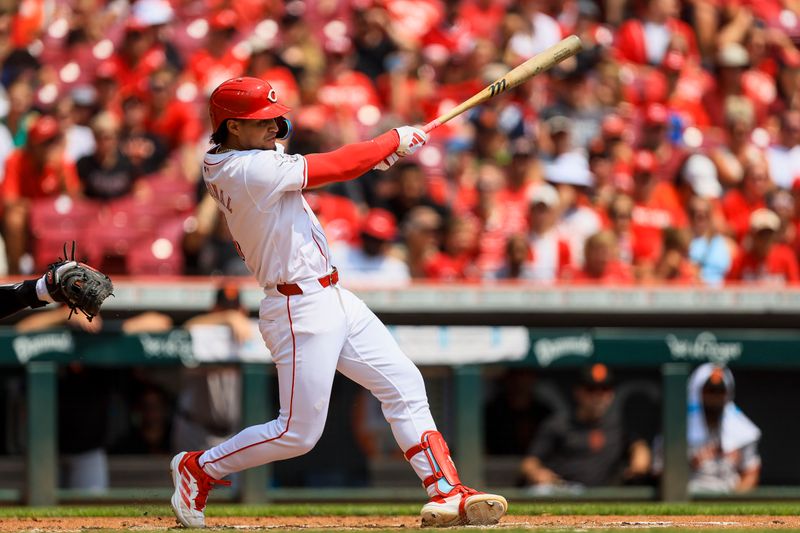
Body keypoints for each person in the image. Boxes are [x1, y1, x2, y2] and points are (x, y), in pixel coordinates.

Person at [169, 77, 507, 528]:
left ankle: (446, 491)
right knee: (297, 434)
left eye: (274, 118)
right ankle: (198, 468)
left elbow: (340, 163)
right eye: (262, 121)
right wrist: (392, 139)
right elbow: (334, 166)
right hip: (297, 306)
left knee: (404, 382)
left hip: (333, 295)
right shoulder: (242, 169)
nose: (275, 126)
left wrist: (379, 156)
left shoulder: (244, 157)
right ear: (231, 127)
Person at [520, 364, 651, 489]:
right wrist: (538, 473)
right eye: (591, 389)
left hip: (603, 495)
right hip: (562, 491)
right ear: (578, 392)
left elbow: (638, 445)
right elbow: (529, 462)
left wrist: (640, 456)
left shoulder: (619, 425)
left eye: (605, 389)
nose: (598, 396)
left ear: (612, 394)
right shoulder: (558, 424)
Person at [653, 363, 761, 494]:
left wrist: (733, 503)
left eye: (720, 391)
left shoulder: (742, 430)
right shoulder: (676, 429)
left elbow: (751, 473)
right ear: (697, 392)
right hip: (689, 496)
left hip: (729, 495)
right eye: (709, 391)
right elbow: (659, 472)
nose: (715, 397)